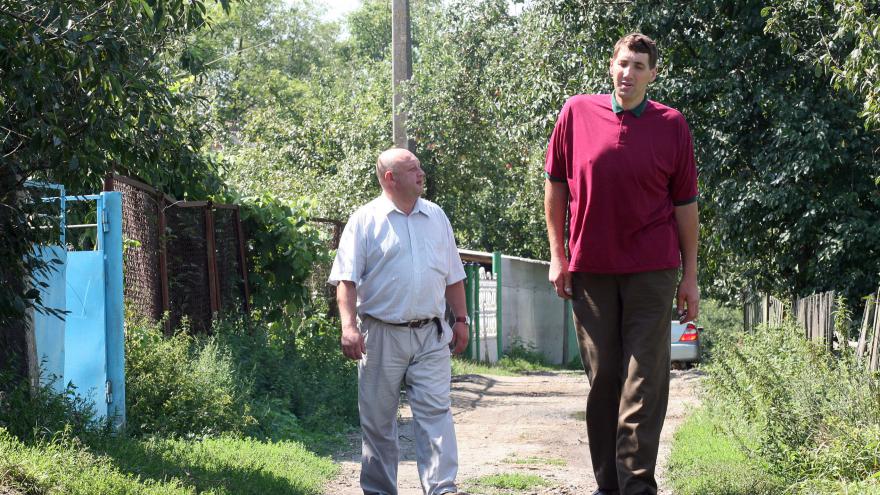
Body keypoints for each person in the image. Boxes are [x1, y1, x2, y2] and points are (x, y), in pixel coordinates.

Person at [543, 33, 699, 495]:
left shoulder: (671, 124)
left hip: (652, 269)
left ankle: (636, 486)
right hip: (591, 269)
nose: (628, 73)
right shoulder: (576, 113)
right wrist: (558, 255)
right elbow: (556, 189)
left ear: (653, 74)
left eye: (639, 66)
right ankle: (607, 485)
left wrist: (689, 275)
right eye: (622, 63)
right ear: (611, 67)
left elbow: (686, 205)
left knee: (644, 379)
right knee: (604, 378)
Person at [328, 147, 470, 495]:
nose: (421, 173)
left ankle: (441, 488)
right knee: (378, 422)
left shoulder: (437, 217)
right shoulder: (365, 220)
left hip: (431, 334)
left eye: (419, 167)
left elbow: (454, 275)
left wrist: (462, 319)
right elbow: (346, 279)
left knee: (436, 414)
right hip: (380, 336)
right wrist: (348, 327)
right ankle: (379, 490)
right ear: (390, 178)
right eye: (412, 169)